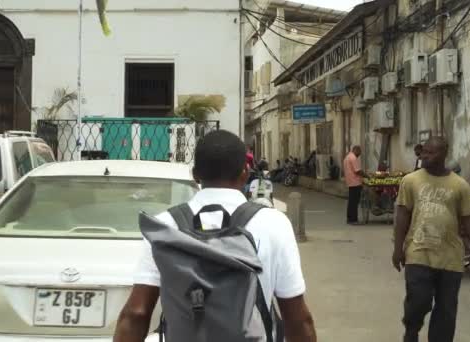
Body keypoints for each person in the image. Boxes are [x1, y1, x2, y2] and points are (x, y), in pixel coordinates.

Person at [114, 130, 316, 342]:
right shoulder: (274, 224)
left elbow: (136, 313)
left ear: (195, 175)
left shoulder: (165, 225)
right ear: (245, 173)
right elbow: (298, 318)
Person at [393, 137, 470, 342]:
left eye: (430, 153)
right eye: (423, 152)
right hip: (418, 253)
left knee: (446, 310)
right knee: (418, 302)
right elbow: (402, 216)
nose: (425, 156)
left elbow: (469, 219)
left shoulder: (460, 186)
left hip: (450, 257)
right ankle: (411, 330)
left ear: (444, 154)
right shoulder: (411, 181)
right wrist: (398, 249)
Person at [343, 146, 365, 224]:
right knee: (354, 202)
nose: (359, 154)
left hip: (350, 182)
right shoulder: (353, 158)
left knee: (351, 201)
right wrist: (366, 175)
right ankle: (353, 219)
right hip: (355, 182)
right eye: (359, 152)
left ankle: (350, 218)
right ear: (356, 150)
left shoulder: (347, 157)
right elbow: (357, 170)